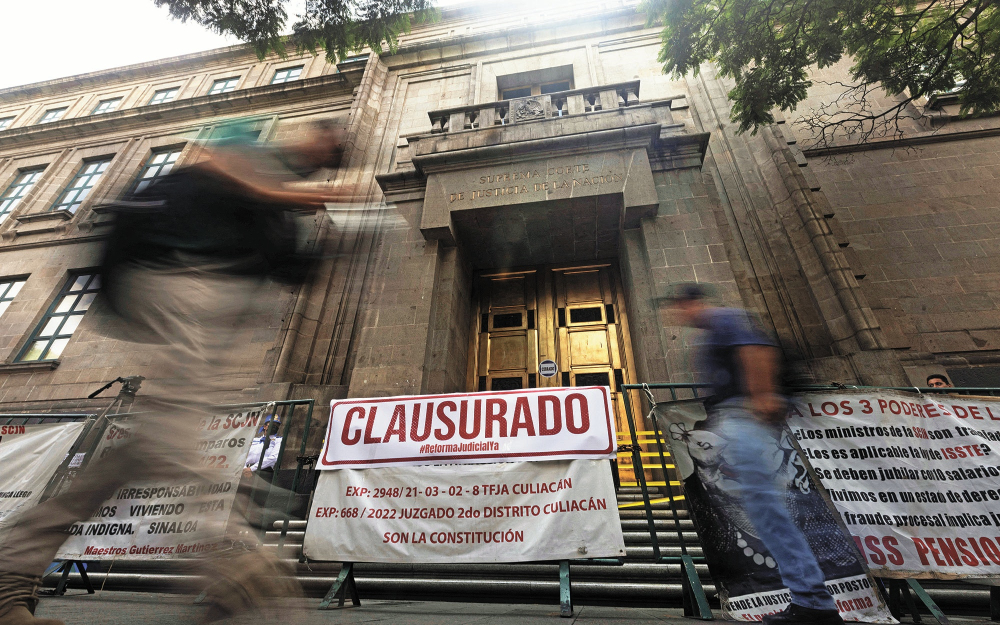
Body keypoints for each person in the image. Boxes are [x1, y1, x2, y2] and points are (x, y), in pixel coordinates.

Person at [0, 121, 356, 625]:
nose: (323, 153)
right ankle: (236, 565)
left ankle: (12, 568)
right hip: (174, 276)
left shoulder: (281, 208)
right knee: (175, 434)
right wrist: (296, 196)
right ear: (303, 134)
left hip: (213, 306)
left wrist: (333, 237)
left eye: (332, 153)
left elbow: (292, 269)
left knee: (149, 446)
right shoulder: (247, 146)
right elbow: (222, 167)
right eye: (323, 139)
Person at [671, 283, 843, 625]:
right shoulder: (713, 330)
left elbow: (757, 349)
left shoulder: (724, 319)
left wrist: (762, 395)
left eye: (678, 307)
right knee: (768, 511)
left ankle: (813, 603)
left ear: (691, 303)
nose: (677, 315)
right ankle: (812, 600)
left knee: (768, 510)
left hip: (743, 417)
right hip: (736, 419)